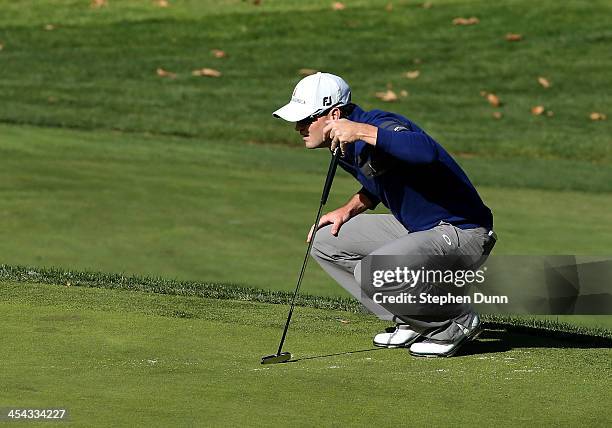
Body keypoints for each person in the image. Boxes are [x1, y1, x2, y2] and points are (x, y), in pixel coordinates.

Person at [272, 72, 496, 357]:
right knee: (325, 240)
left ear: (334, 115)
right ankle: (412, 319)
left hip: (464, 232)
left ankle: (454, 321)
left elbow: (425, 151)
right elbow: (383, 181)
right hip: (420, 229)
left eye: (305, 120)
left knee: (373, 271)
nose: (298, 128)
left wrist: (361, 131)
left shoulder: (380, 125)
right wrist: (348, 209)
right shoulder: (345, 145)